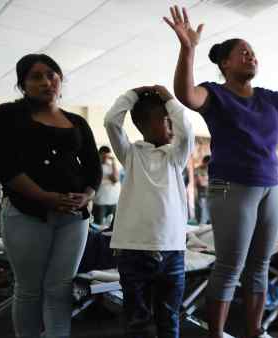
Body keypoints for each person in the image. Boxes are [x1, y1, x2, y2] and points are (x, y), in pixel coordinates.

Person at [164, 6, 278, 338]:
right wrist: (188, 49)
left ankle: (255, 330)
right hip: (231, 187)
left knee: (260, 266)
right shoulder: (214, 94)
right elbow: (186, 95)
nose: (251, 56)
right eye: (242, 52)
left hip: (270, 187)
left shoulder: (268, 98)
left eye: (253, 53)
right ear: (224, 64)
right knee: (230, 266)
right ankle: (216, 333)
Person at [0, 54, 102, 338]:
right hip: (27, 214)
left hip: (74, 217)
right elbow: (4, 165)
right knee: (29, 289)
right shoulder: (7, 115)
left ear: (60, 79)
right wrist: (45, 197)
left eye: (51, 74)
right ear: (23, 84)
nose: (46, 82)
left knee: (60, 287)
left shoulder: (76, 121)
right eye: (36, 77)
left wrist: (87, 196)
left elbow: (93, 169)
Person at [105, 85, 194, 338]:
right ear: (142, 124)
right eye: (165, 121)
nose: (172, 127)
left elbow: (186, 130)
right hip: (133, 249)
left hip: (172, 250)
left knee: (169, 318)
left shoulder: (175, 156)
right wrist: (131, 94)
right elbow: (111, 121)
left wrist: (169, 99)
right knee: (137, 321)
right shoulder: (130, 154)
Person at [92, 146, 120, 225]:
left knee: (113, 227)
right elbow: (114, 179)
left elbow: (115, 179)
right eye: (103, 156)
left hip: (113, 202)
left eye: (107, 156)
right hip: (100, 202)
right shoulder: (95, 166)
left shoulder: (112, 166)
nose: (105, 158)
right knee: (98, 226)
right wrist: (108, 177)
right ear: (99, 155)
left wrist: (113, 162)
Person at [195, 155, 210, 224]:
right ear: (204, 162)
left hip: (209, 195)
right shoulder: (198, 170)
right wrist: (207, 181)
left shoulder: (210, 170)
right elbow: (201, 183)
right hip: (201, 196)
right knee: (202, 218)